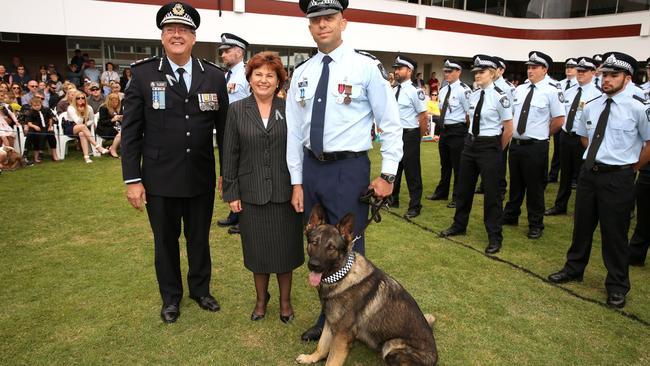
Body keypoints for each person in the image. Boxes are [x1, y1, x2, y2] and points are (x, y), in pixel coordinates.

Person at [286, 0, 402, 342]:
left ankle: (350, 321)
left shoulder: (365, 67)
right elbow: (294, 132)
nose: (323, 25)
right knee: (319, 245)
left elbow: (391, 124)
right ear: (310, 27)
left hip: (349, 169)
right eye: (316, 20)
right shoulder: (303, 72)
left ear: (343, 22)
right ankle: (328, 320)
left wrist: (389, 174)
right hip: (312, 168)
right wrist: (296, 182)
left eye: (329, 19)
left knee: (350, 248)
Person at [120, 2, 229, 324]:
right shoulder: (143, 74)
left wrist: (228, 174)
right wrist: (132, 180)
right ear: (163, 37)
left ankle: (200, 290)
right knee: (165, 242)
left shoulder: (214, 76)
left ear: (194, 37)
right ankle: (171, 297)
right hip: (159, 178)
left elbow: (224, 132)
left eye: (183, 30)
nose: (177, 35)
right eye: (171, 30)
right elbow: (131, 134)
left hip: (199, 176)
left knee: (199, 239)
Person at [548, 52, 650, 309]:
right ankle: (574, 268)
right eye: (605, 74)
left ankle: (617, 284)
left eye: (613, 75)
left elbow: (649, 144)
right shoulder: (592, 104)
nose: (606, 80)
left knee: (614, 234)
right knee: (581, 226)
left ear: (627, 78)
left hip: (618, 177)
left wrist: (629, 166)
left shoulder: (639, 106)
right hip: (589, 174)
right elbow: (584, 137)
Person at [222, 51, 303, 323]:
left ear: (279, 80)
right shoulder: (236, 110)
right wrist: (231, 192)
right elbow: (229, 153)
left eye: (270, 75)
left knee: (285, 251)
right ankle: (260, 300)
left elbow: (297, 152)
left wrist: (297, 186)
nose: (264, 80)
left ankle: (285, 302)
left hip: (284, 193)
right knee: (257, 252)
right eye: (258, 74)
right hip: (251, 193)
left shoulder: (289, 109)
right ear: (250, 78)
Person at [439, 55, 513, 254]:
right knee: (464, 189)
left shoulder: (501, 97)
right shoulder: (473, 94)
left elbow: (508, 129)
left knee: (492, 194)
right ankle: (458, 225)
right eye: (476, 72)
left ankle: (494, 236)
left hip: (490, 146)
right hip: (470, 144)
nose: (478, 75)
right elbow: (470, 119)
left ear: (493, 73)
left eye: (482, 72)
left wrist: (496, 149)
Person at [502, 51, 565, 239]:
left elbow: (559, 120)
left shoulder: (553, 90)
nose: (530, 70)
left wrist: (543, 135)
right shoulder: (520, 89)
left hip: (536, 146)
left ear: (545, 69)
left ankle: (536, 223)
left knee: (535, 187)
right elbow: (512, 115)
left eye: (534, 67)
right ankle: (511, 215)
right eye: (529, 67)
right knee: (516, 183)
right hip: (517, 144)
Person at [545, 57, 602, 216]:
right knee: (565, 174)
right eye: (579, 70)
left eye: (584, 71)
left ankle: (583, 209)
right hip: (565, 136)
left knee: (583, 176)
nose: (580, 73)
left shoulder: (597, 94)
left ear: (593, 72)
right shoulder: (568, 91)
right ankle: (560, 205)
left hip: (582, 138)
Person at [216, 32, 252, 235]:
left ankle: (244, 217)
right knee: (229, 170)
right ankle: (234, 212)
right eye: (222, 51)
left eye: (227, 51)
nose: (223, 55)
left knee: (244, 173)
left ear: (239, 52)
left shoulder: (247, 74)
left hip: (243, 131)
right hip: (227, 131)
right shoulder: (225, 76)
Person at [426, 59, 471, 209]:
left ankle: (458, 197)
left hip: (458, 131)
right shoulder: (444, 89)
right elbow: (441, 110)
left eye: (450, 71)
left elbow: (468, 114)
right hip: (445, 131)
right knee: (445, 164)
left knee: (458, 166)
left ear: (458, 72)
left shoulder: (464, 90)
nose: (447, 74)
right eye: (445, 71)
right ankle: (442, 192)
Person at [390, 55, 428, 218]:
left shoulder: (415, 92)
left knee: (412, 172)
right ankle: (393, 199)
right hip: (396, 135)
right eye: (395, 68)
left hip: (410, 135)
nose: (396, 71)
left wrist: (416, 138)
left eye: (400, 68)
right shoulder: (393, 90)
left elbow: (423, 117)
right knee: (395, 169)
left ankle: (415, 205)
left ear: (409, 71)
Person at [548, 58, 579, 183]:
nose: (569, 69)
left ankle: (573, 177)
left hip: (572, 124)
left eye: (572, 67)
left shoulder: (579, 85)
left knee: (573, 154)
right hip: (560, 122)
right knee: (557, 151)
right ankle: (553, 174)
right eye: (567, 67)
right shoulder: (559, 84)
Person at [65, 90, 108, 163]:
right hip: (70, 127)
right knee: (82, 127)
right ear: (75, 99)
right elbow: (77, 122)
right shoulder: (71, 108)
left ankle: (86, 157)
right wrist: (82, 113)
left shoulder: (89, 108)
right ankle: (98, 147)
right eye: (78, 98)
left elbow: (91, 120)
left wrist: (86, 124)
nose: (81, 100)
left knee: (82, 133)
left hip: (83, 128)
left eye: (83, 98)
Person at [24, 96, 59, 162]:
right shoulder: (30, 112)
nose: (37, 107)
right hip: (36, 128)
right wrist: (34, 126)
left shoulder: (46, 109)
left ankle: (54, 154)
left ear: (41, 104)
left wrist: (50, 126)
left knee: (51, 134)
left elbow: (50, 118)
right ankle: (37, 154)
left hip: (45, 128)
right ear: (32, 105)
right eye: (34, 106)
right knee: (35, 135)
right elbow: (29, 123)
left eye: (38, 105)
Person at [96, 92, 123, 158]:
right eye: (113, 102)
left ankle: (112, 148)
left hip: (117, 127)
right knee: (122, 132)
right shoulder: (103, 108)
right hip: (105, 129)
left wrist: (121, 119)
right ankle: (113, 149)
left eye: (117, 102)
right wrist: (112, 120)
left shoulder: (119, 108)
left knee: (127, 131)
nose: (115, 104)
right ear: (109, 101)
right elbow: (102, 122)